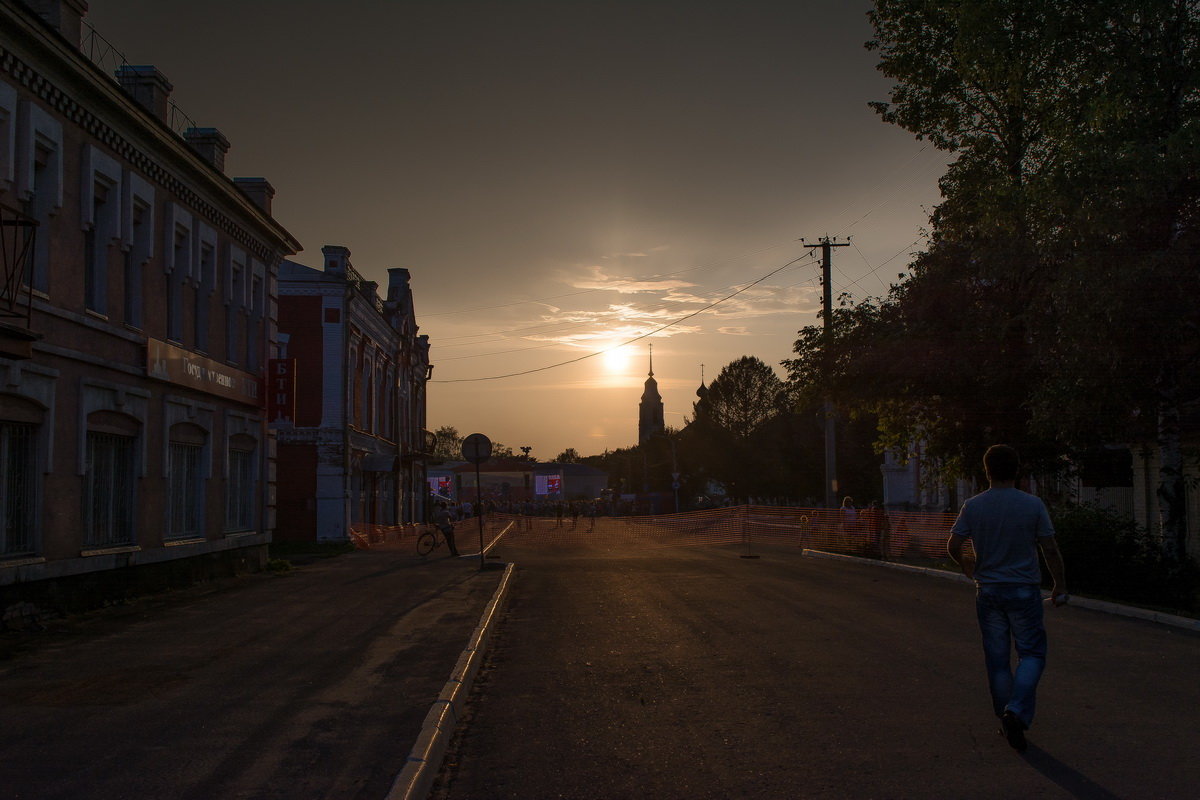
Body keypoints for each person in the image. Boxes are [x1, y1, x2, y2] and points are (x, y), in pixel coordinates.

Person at [947, 444, 1068, 753]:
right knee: (1032, 654)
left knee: (998, 660)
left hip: (988, 591)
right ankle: (1016, 710)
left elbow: (954, 543)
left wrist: (967, 566)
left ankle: (1006, 715)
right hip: (1025, 590)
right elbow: (1049, 548)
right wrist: (1059, 584)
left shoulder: (973, 506)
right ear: (1017, 470)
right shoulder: (1032, 505)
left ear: (986, 471)